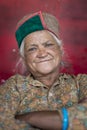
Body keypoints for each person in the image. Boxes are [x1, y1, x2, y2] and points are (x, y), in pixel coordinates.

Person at [0, 11, 87, 130]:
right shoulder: (14, 87)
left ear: (60, 50)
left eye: (48, 45)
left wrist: (29, 118)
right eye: (32, 49)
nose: (42, 53)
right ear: (24, 58)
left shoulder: (81, 83)